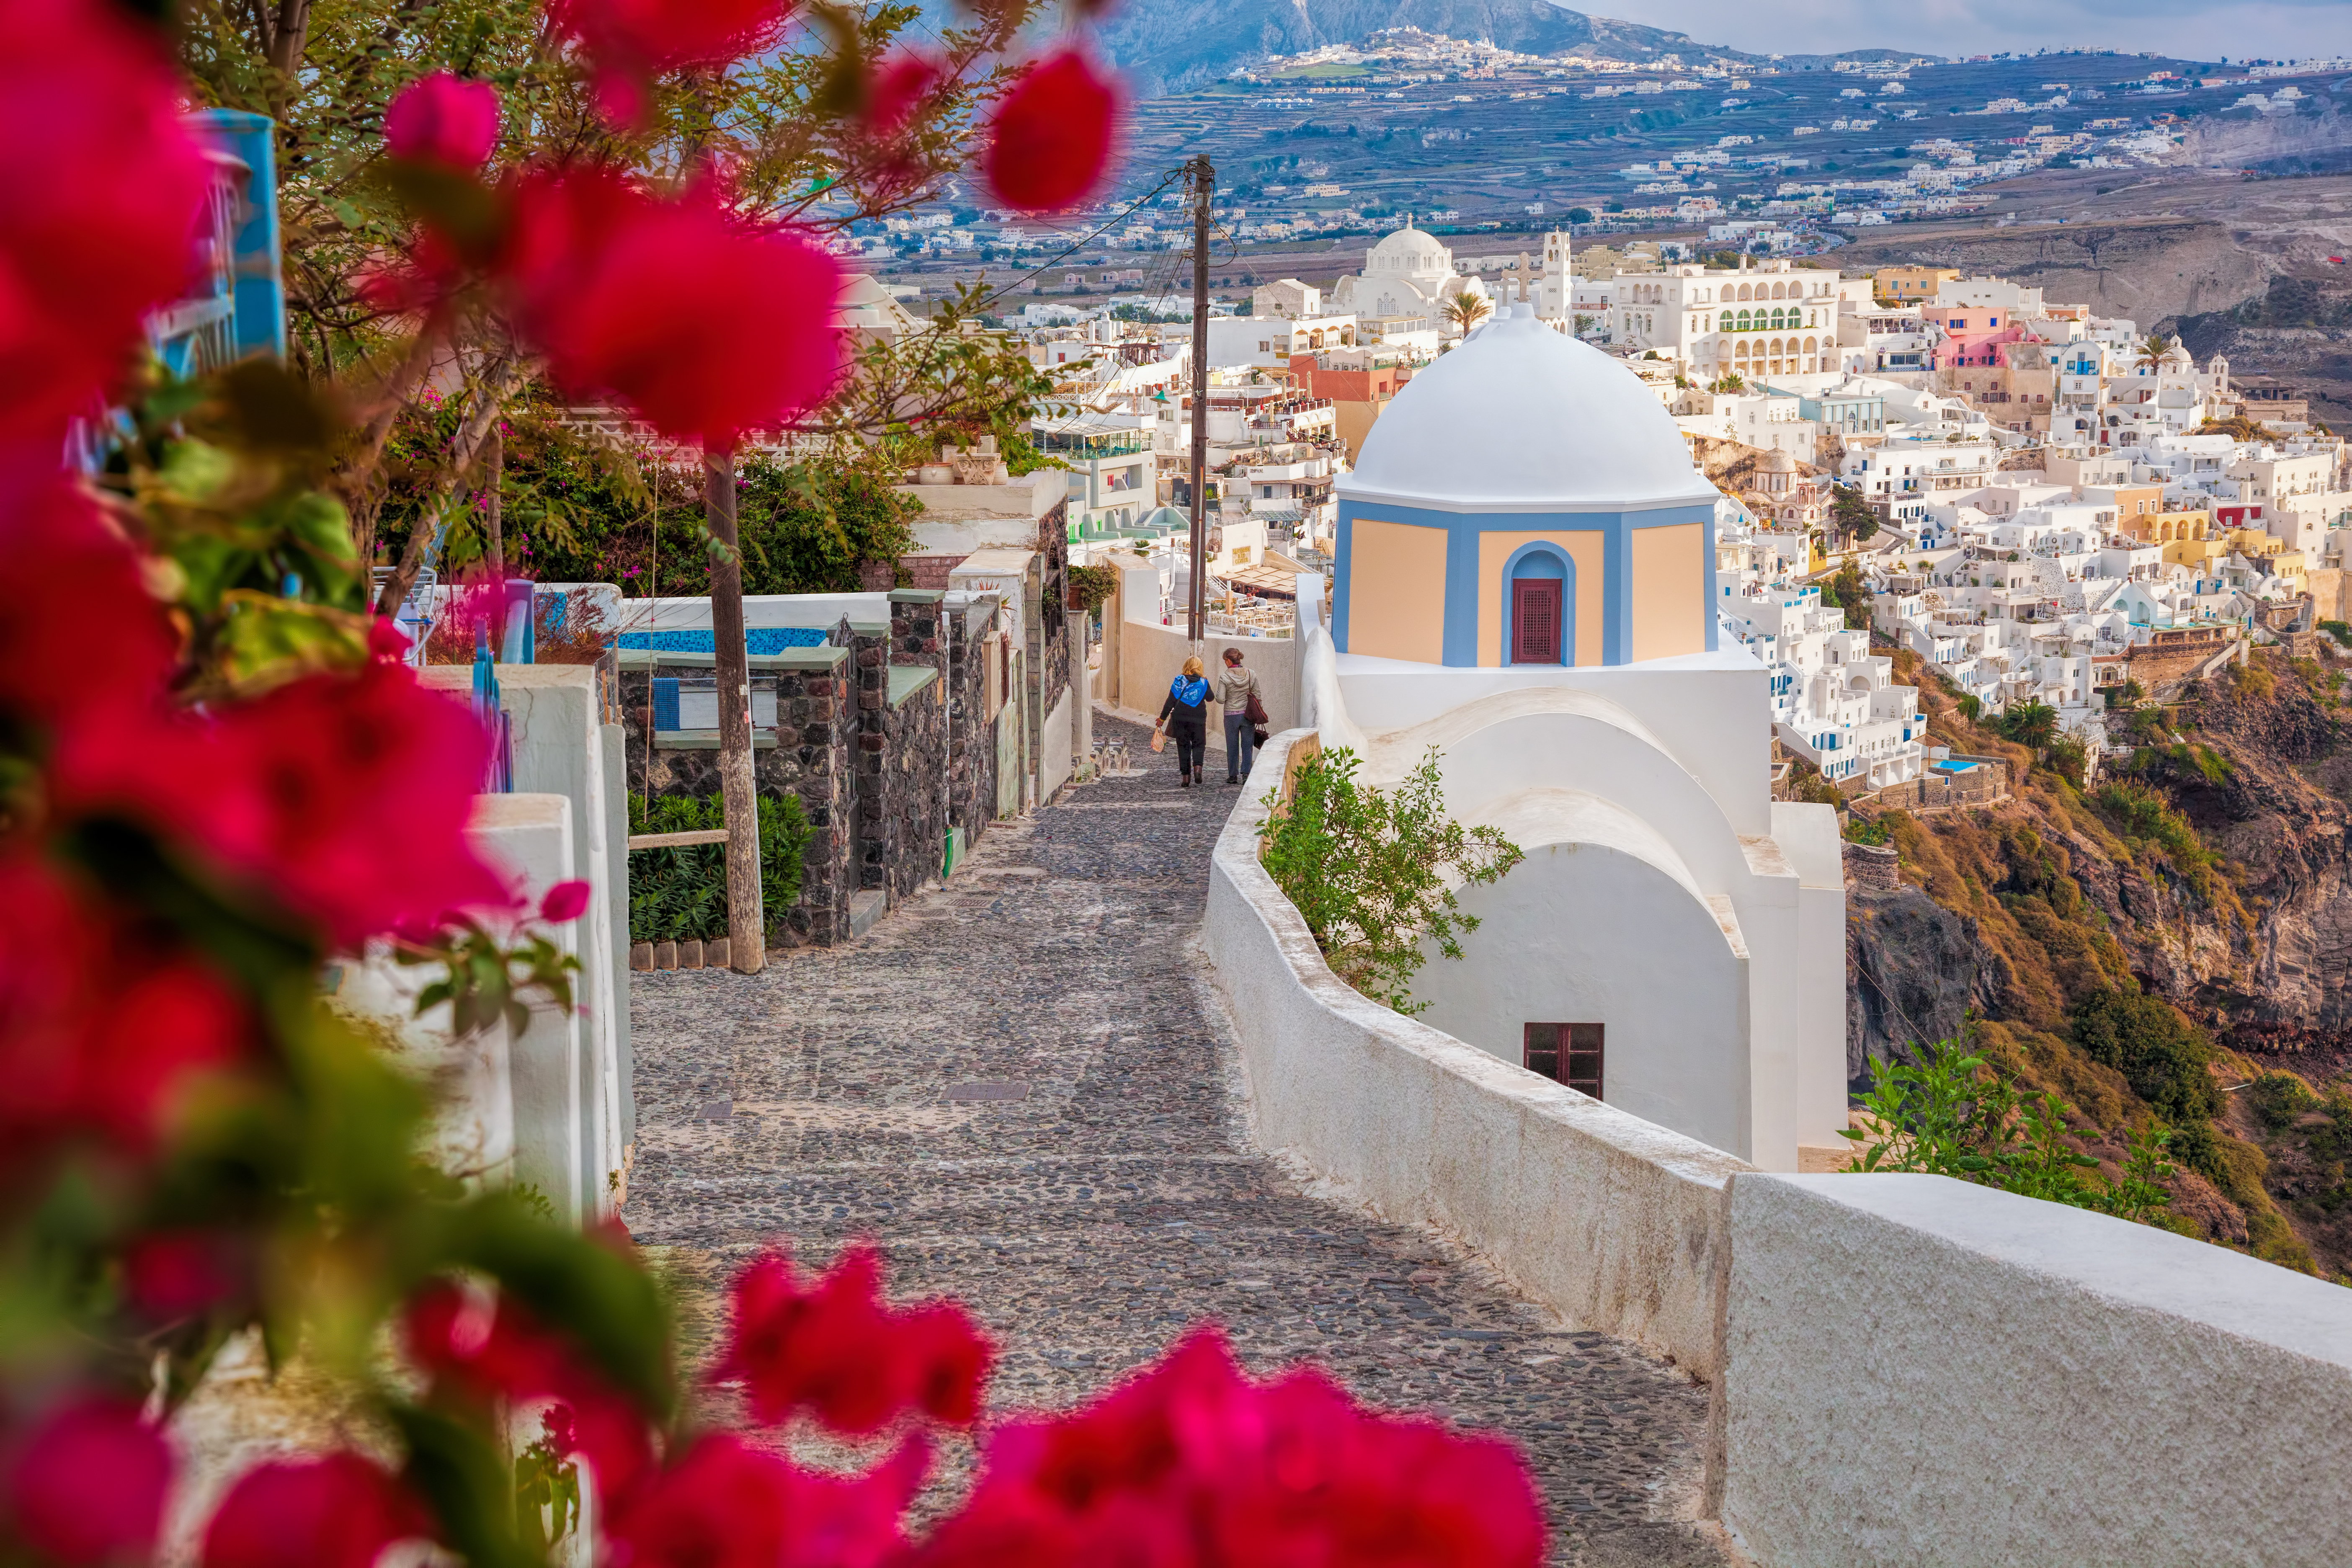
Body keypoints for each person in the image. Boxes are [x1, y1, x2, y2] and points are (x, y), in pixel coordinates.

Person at [1158, 656, 1211, 787]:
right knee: (1199, 744)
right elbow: (1211, 698)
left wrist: (1162, 719)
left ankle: (1186, 779)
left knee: (1183, 747)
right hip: (1198, 719)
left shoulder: (1178, 681)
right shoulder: (1204, 683)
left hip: (1180, 718)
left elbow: (1170, 701)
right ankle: (1198, 769)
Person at [1217, 645, 1263, 786]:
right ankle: (1246, 774)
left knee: (1232, 745)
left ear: (1230, 662)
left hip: (1231, 715)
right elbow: (1258, 696)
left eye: (1225, 660)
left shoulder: (1225, 677)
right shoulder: (1251, 674)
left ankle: (1233, 776)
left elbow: (1220, 699)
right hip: (1248, 714)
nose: (1225, 663)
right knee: (1247, 745)